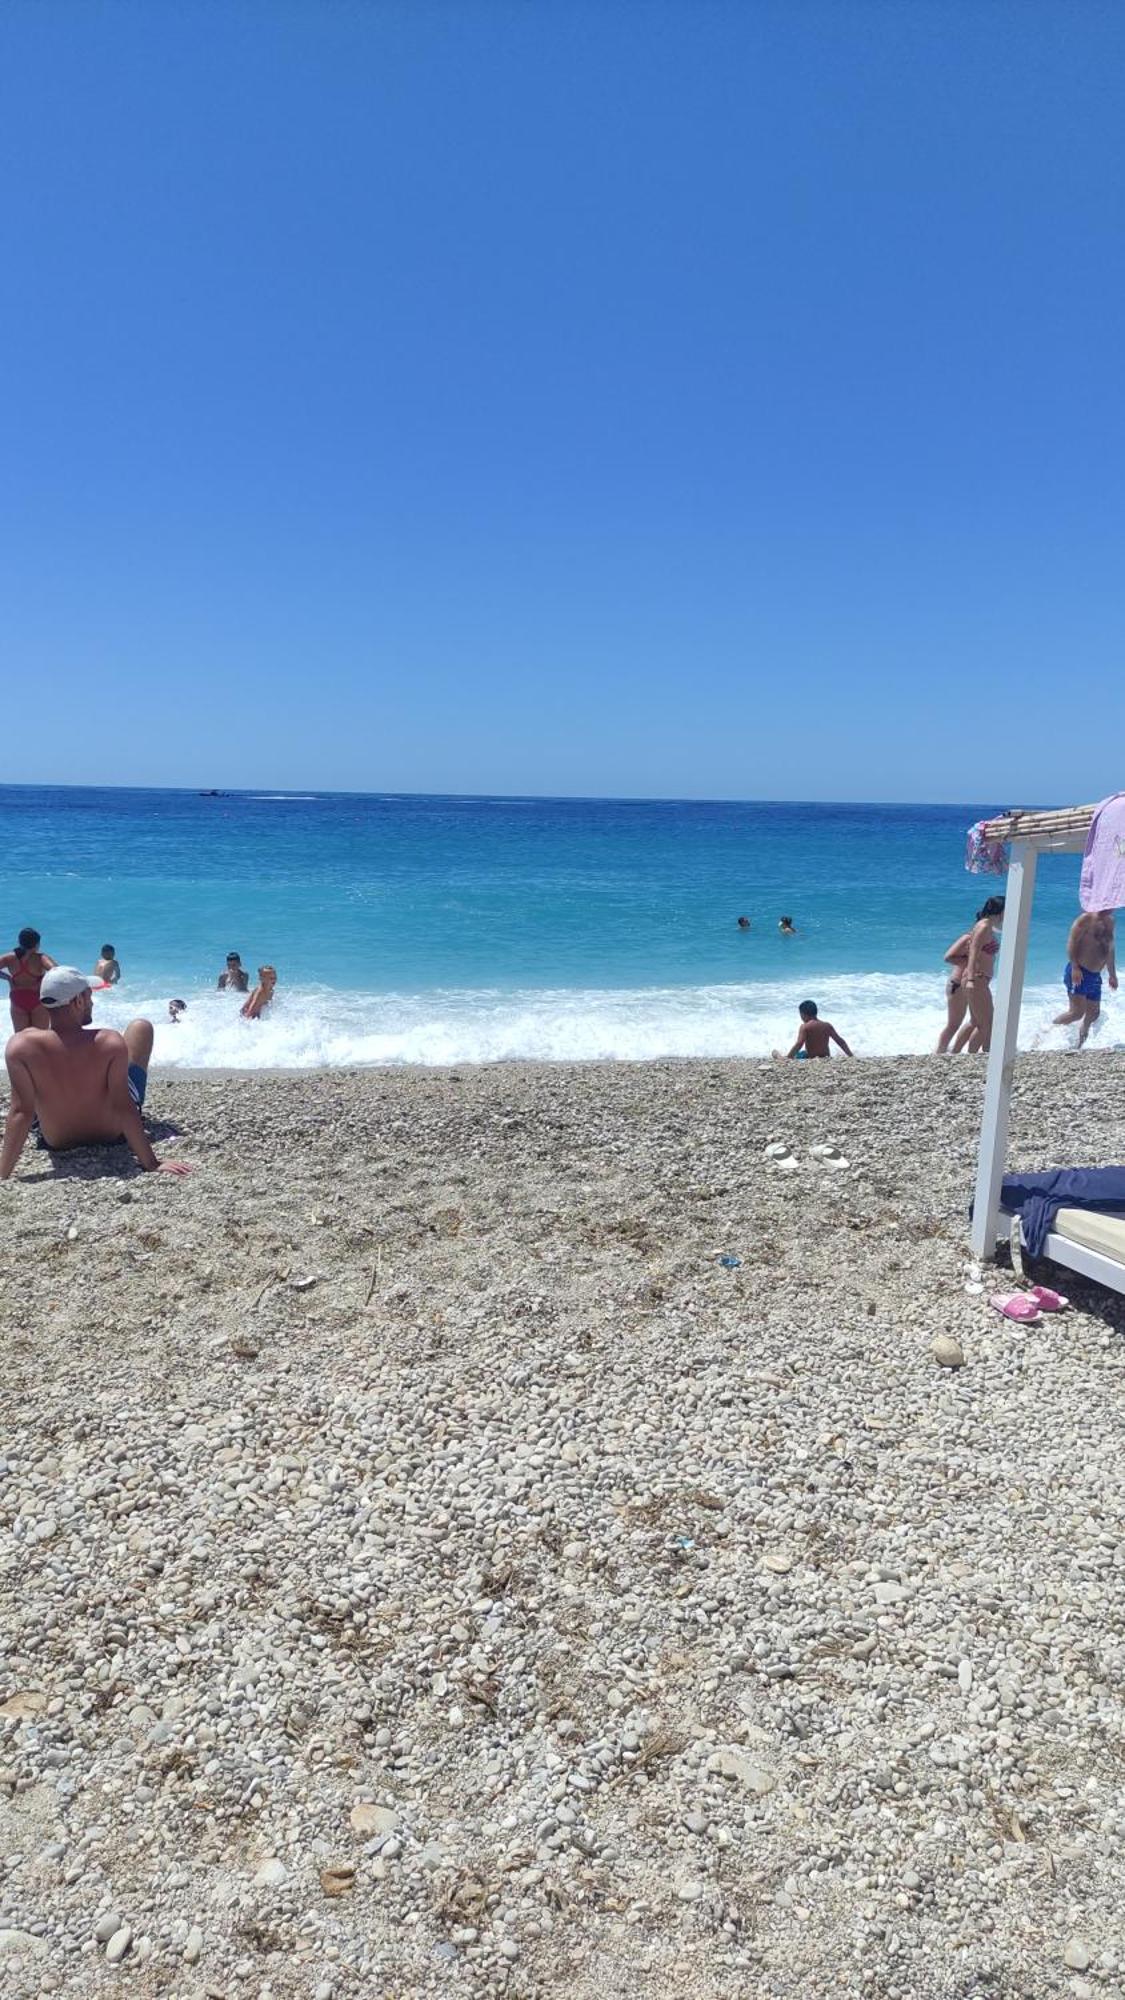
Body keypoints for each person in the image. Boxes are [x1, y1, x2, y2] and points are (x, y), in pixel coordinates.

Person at [1, 967, 190, 1179]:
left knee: (38, 1091)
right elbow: (123, 1105)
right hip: (112, 1134)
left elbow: (21, 1112)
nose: (92, 1003)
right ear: (78, 1001)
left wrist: (2, 1174)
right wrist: (151, 1163)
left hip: (56, 1141)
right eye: (89, 996)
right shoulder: (109, 1042)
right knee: (141, 1027)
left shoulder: (21, 1046)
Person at [1054, 910, 1117, 1047]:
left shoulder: (1110, 921)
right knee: (1076, 1013)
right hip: (1080, 973)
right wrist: (1075, 967)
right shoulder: (1086, 919)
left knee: (1094, 1013)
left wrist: (1112, 974)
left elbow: (1110, 949)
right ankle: (1047, 1032)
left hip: (1095, 976)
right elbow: (1072, 942)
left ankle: (1080, 1044)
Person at [957, 895, 1005, 1054]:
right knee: (986, 1024)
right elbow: (973, 952)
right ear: (1001, 911)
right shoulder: (984, 926)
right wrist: (970, 978)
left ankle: (954, 1053)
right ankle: (974, 1055)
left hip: (979, 979)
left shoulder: (986, 925)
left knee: (976, 1021)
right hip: (976, 979)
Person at [0, 928, 57, 1032]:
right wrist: (44, 979)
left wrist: (8, 978)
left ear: (20, 942)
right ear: (37, 944)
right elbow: (58, 971)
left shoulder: (9, 958)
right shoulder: (41, 958)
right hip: (38, 998)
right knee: (41, 1037)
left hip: (18, 999)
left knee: (21, 1038)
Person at [937, 919, 979, 1053]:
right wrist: (969, 961)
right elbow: (948, 957)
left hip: (970, 984)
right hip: (957, 984)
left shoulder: (982, 940)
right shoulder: (968, 938)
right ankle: (939, 1052)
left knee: (977, 1020)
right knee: (953, 1024)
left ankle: (955, 1050)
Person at [775, 999, 853, 1060]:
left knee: (777, 1054)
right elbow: (840, 1041)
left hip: (810, 1057)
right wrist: (851, 1055)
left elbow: (799, 1043)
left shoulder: (805, 1027)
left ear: (803, 1014)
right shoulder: (827, 1025)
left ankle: (781, 1057)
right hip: (826, 1056)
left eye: (800, 1015)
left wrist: (789, 1057)